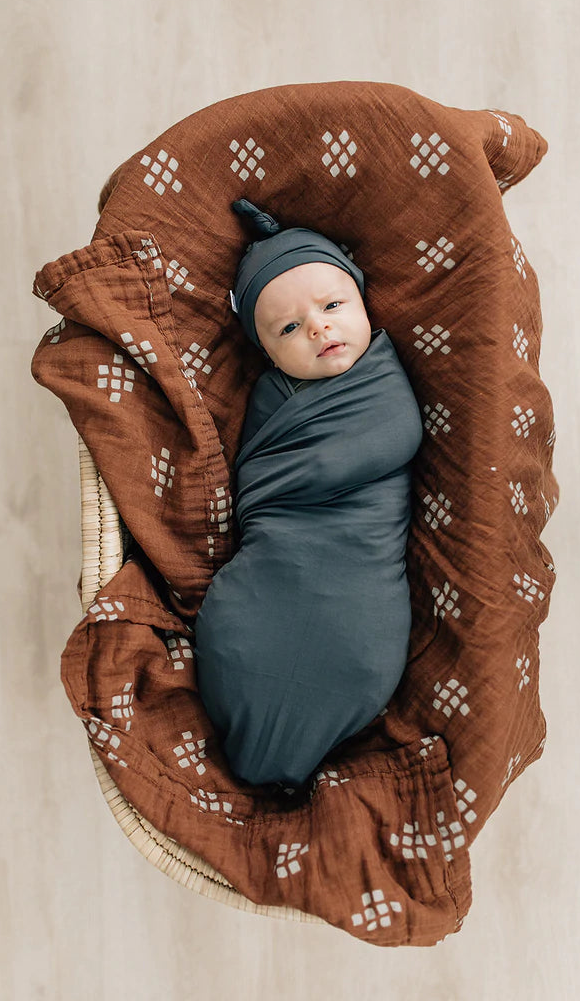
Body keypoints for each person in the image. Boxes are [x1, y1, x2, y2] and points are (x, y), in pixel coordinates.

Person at [193, 199, 423, 788]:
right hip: (275, 567)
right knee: (239, 644)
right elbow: (260, 479)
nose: (318, 327)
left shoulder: (383, 377)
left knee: (356, 658)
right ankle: (260, 762)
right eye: (289, 329)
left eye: (333, 306)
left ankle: (283, 765)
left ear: (363, 304)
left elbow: (396, 434)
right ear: (266, 352)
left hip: (358, 584)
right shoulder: (270, 398)